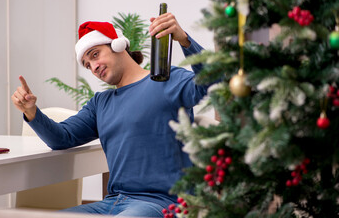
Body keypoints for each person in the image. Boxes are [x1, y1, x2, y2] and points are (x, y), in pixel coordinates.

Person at [11, 12, 210, 217]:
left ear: (118, 45)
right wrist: (31, 111)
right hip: (113, 202)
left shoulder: (167, 80)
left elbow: (212, 81)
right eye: (88, 65)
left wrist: (184, 40)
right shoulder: (101, 103)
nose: (94, 67)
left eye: (95, 54)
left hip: (163, 203)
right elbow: (61, 138)